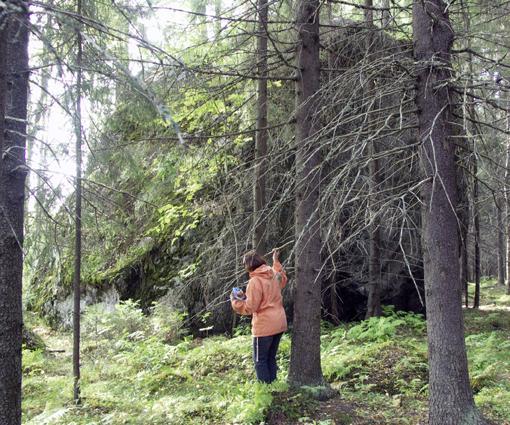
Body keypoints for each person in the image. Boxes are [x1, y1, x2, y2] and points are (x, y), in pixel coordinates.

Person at [231, 249, 288, 384]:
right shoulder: (273, 273)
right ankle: (273, 387)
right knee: (270, 358)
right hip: (279, 323)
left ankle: (265, 392)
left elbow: (250, 307)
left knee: (260, 361)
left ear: (249, 265)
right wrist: (276, 262)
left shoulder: (255, 281)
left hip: (264, 327)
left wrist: (235, 301)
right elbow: (282, 279)